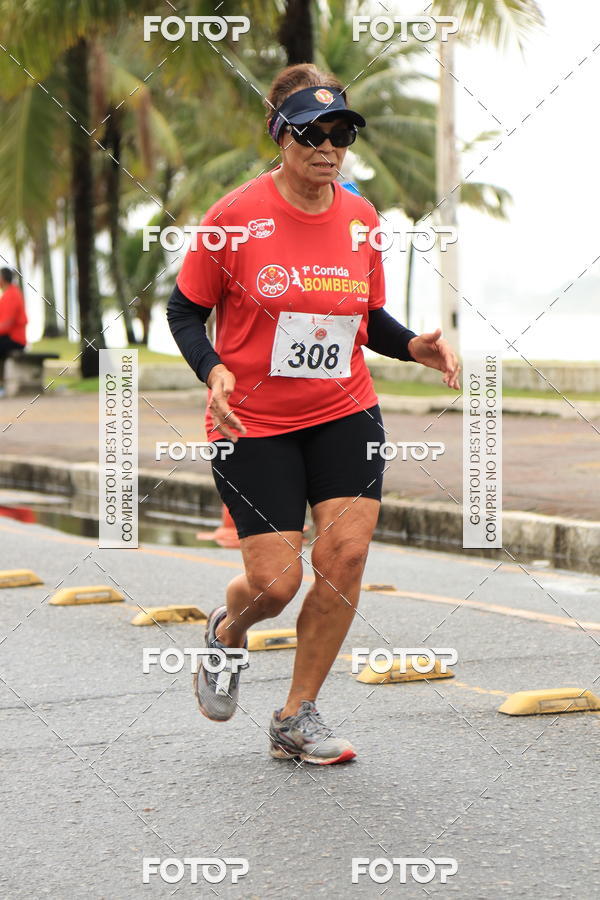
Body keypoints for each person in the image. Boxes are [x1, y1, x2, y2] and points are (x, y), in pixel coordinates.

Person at [167, 63, 460, 765]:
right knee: (275, 583)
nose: (327, 147)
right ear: (280, 134)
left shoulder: (361, 219)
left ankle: (297, 714)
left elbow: (366, 317)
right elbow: (184, 310)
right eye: (311, 132)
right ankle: (228, 631)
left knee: (346, 554)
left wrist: (410, 345)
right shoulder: (234, 217)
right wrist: (213, 371)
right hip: (254, 422)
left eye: (341, 134)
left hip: (343, 410)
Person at [0, 268, 27, 392]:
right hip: (7, 337)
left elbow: (7, 324)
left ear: (3, 279)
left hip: (15, 339)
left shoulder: (12, 294)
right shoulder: (7, 294)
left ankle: (2, 386)